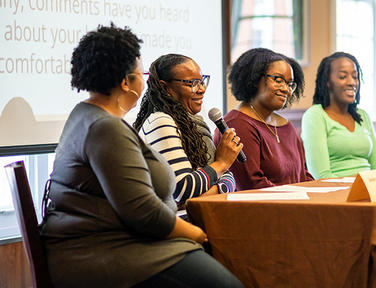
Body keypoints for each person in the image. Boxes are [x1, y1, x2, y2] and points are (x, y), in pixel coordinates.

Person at [41, 24, 244, 288]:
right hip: (110, 254)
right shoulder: (105, 128)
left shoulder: (90, 117)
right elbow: (145, 214)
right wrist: (198, 234)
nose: (144, 80)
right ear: (126, 82)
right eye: (141, 73)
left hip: (125, 243)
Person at [133, 54, 241, 205]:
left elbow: (229, 178)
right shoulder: (161, 122)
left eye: (202, 81)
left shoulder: (194, 124)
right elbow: (182, 190)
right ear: (165, 88)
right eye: (193, 83)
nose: (202, 89)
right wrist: (222, 163)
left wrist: (216, 182)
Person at [215, 48, 313, 190]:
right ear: (255, 79)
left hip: (294, 206)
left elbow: (303, 175)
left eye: (290, 83)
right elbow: (252, 185)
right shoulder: (237, 124)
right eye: (278, 80)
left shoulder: (287, 126)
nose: (286, 89)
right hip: (263, 209)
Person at [301, 52, 376, 179]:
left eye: (355, 77)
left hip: (370, 189)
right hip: (335, 193)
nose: (352, 82)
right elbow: (321, 176)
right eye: (342, 77)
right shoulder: (315, 116)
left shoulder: (362, 116)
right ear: (327, 82)